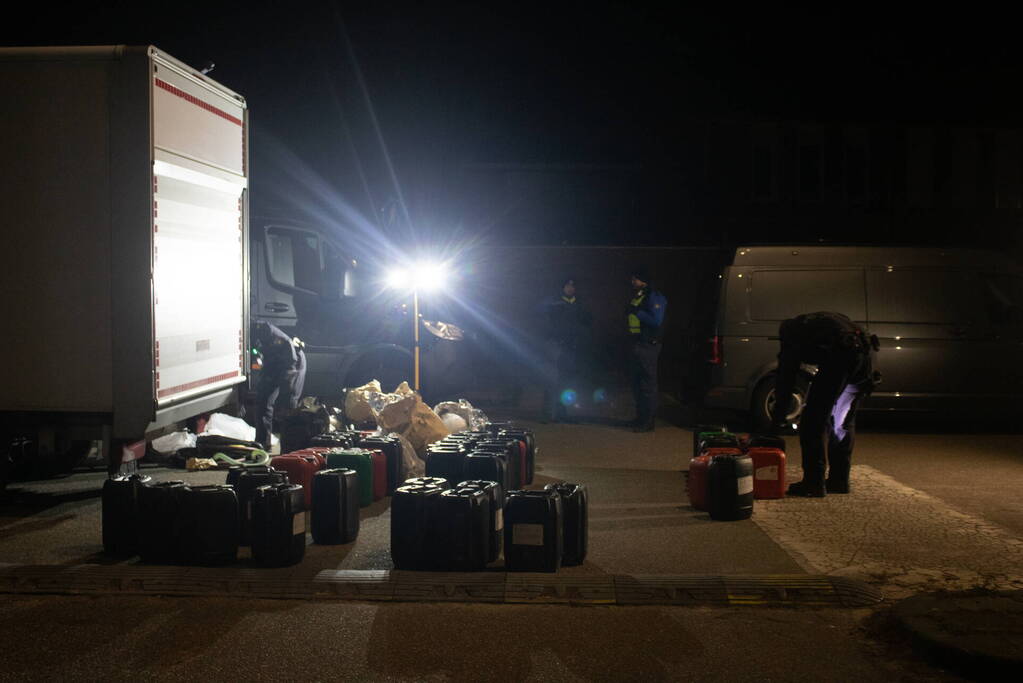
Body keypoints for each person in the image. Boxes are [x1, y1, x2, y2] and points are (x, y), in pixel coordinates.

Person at [771, 311, 880, 497]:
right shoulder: (823, 322)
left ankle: (813, 483)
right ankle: (839, 480)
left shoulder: (793, 335)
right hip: (865, 358)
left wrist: (778, 416)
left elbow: (786, 376)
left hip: (841, 357)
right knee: (842, 421)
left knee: (813, 421)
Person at [539, 277, 591, 422]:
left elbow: (586, 323)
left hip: (571, 346)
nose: (570, 289)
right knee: (551, 379)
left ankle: (562, 413)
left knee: (566, 380)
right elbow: (543, 319)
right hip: (555, 345)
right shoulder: (554, 302)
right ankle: (548, 413)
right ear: (562, 287)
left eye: (572, 286)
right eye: (567, 286)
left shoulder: (579, 304)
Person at [253, 320, 307, 449]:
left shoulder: (264, 330)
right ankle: (262, 443)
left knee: (287, 407)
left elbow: (290, 358)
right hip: (274, 364)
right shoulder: (250, 334)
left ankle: (289, 446)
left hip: (293, 363)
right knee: (263, 401)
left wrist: (287, 386)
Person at [626, 267, 667, 432]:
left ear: (643, 280)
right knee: (637, 382)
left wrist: (638, 313)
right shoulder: (640, 296)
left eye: (635, 279)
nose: (632, 282)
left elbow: (656, 320)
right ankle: (640, 417)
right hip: (637, 342)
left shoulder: (654, 296)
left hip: (649, 344)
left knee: (648, 384)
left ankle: (648, 421)